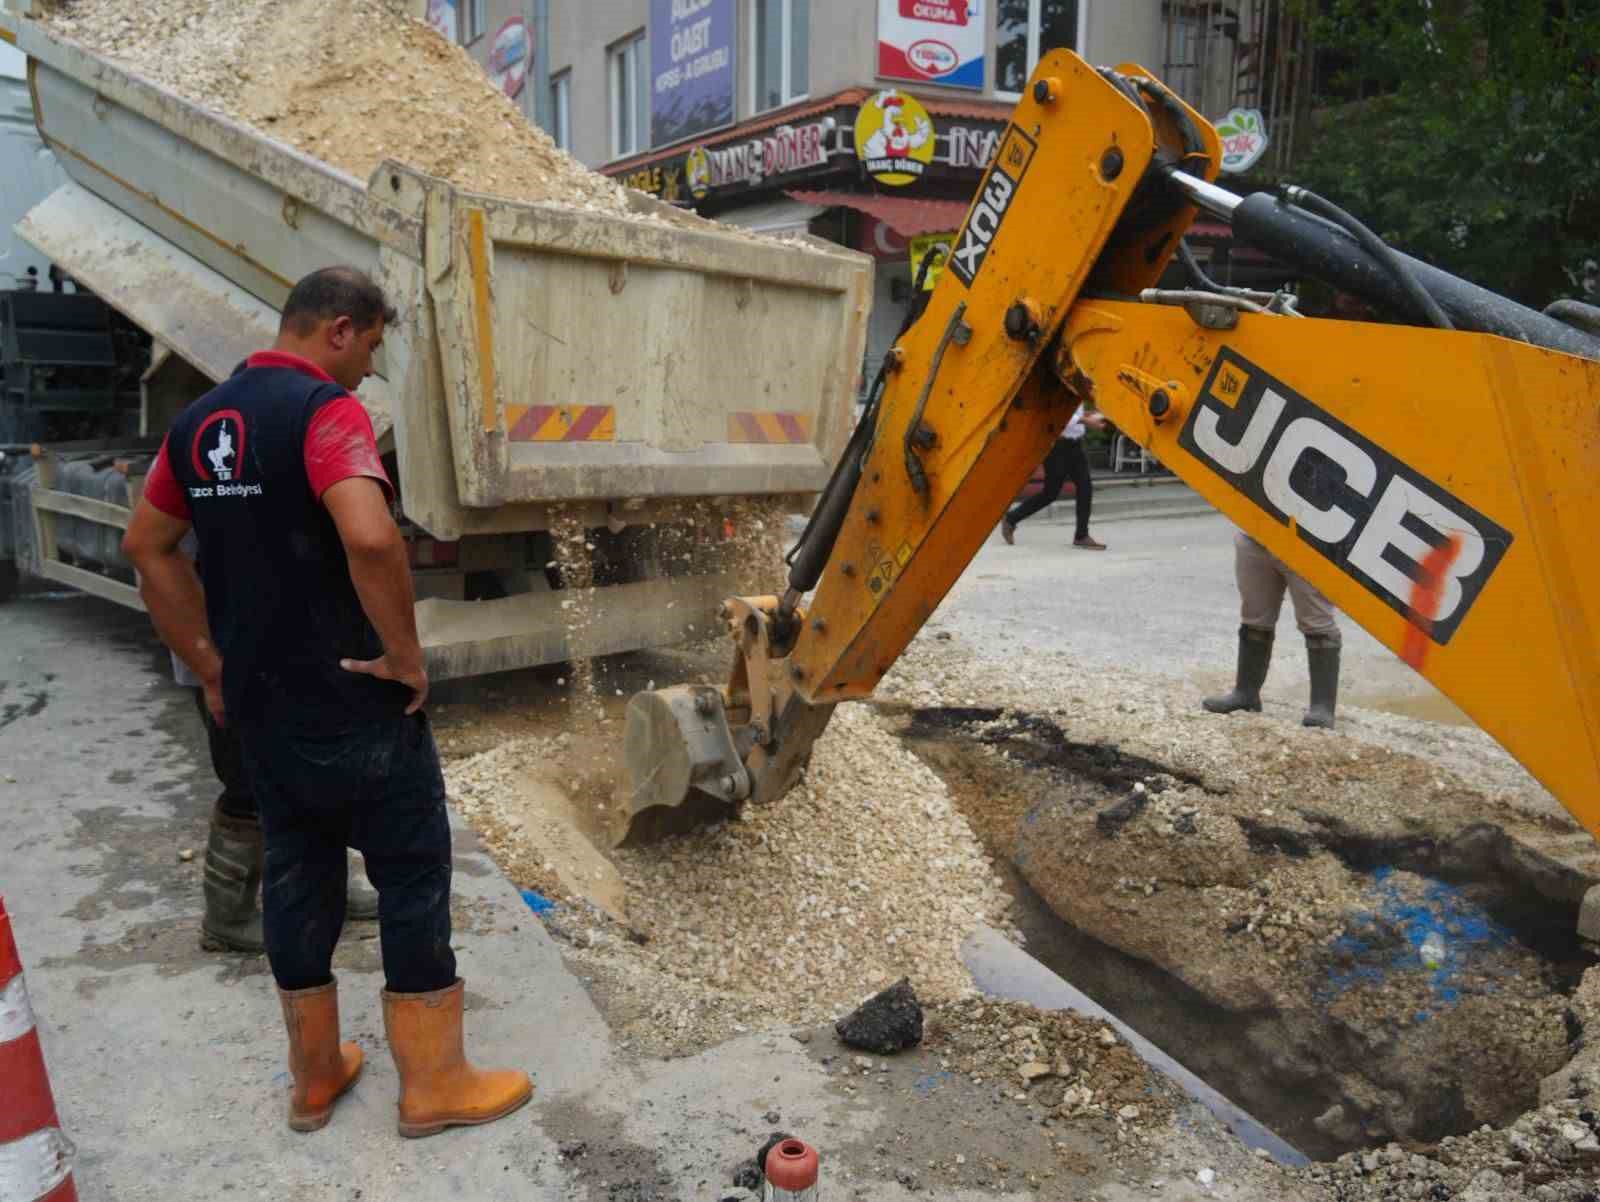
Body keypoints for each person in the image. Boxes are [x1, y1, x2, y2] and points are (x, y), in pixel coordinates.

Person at [123, 266, 530, 1137]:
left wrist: (208, 662)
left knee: (300, 872)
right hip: (352, 700)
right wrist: (405, 655)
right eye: (373, 348)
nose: (370, 372)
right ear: (339, 330)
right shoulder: (323, 413)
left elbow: (147, 546)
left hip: (263, 708)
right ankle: (434, 1084)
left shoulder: (197, 424)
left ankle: (314, 1077)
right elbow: (371, 534)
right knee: (414, 870)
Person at [1202, 530, 1341, 728]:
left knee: (1317, 621)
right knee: (1254, 617)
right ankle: (1246, 693)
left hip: (1310, 541)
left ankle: (1322, 707)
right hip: (1255, 533)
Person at [999, 403, 1106, 550]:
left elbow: (1074, 413)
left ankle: (1081, 535)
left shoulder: (1079, 388)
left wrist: (1088, 415)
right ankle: (1011, 518)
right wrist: (1086, 421)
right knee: (1050, 493)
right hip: (1057, 446)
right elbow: (1059, 414)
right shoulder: (1061, 388)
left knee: (1085, 487)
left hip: (1075, 445)